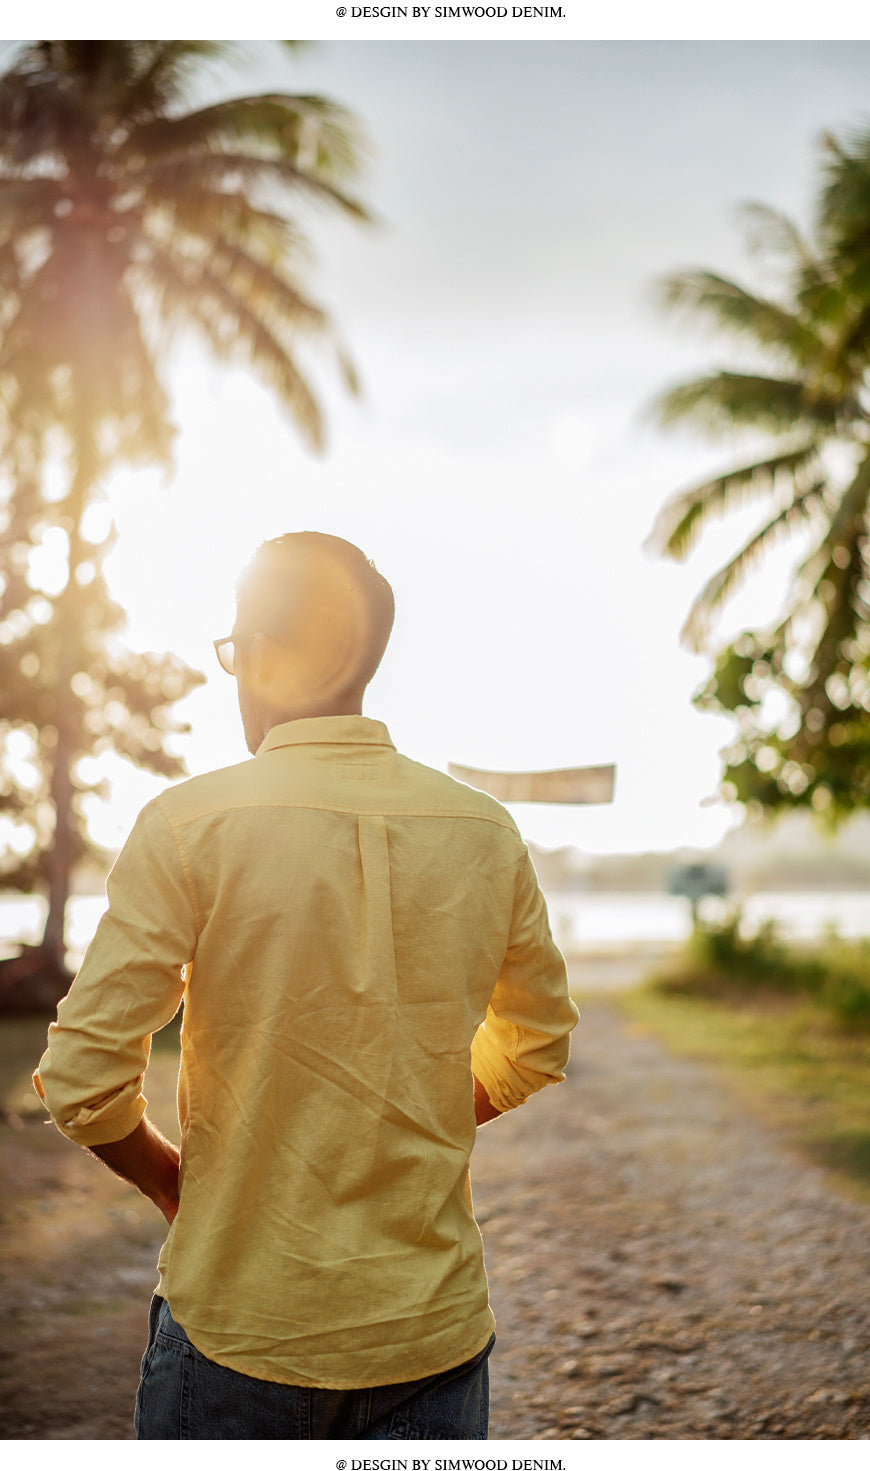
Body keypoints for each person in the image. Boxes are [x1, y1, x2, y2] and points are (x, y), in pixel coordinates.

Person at [33, 531, 579, 1440]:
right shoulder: (484, 831)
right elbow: (537, 1042)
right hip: (431, 1333)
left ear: (256, 654)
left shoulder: (187, 826)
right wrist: (415, 1108)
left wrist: (176, 1184)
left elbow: (84, 1081)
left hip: (236, 1330)